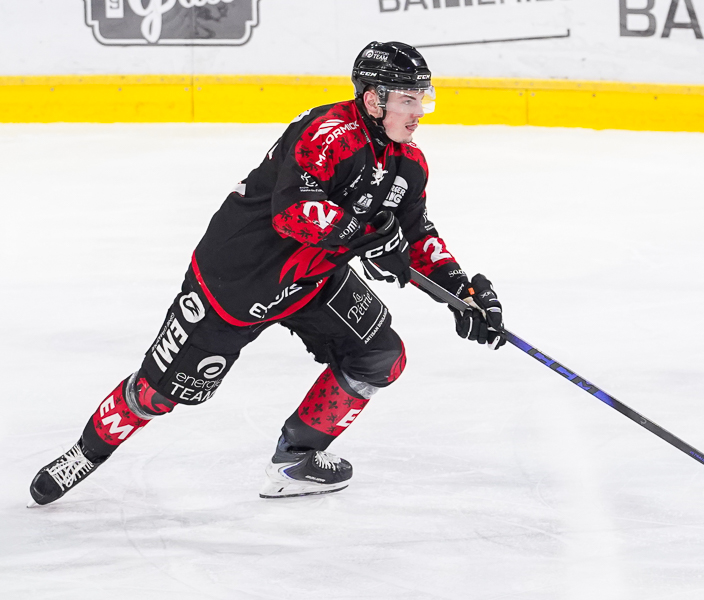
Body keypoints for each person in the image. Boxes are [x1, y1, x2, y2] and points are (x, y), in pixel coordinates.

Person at [29, 41, 505, 506]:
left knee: (380, 355)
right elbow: (293, 213)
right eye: (407, 99)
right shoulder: (328, 134)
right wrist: (364, 236)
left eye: (422, 98)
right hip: (236, 283)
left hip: (313, 280)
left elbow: (417, 234)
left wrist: (461, 292)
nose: (418, 111)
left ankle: (296, 460)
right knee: (158, 393)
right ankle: (84, 454)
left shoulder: (408, 163)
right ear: (372, 99)